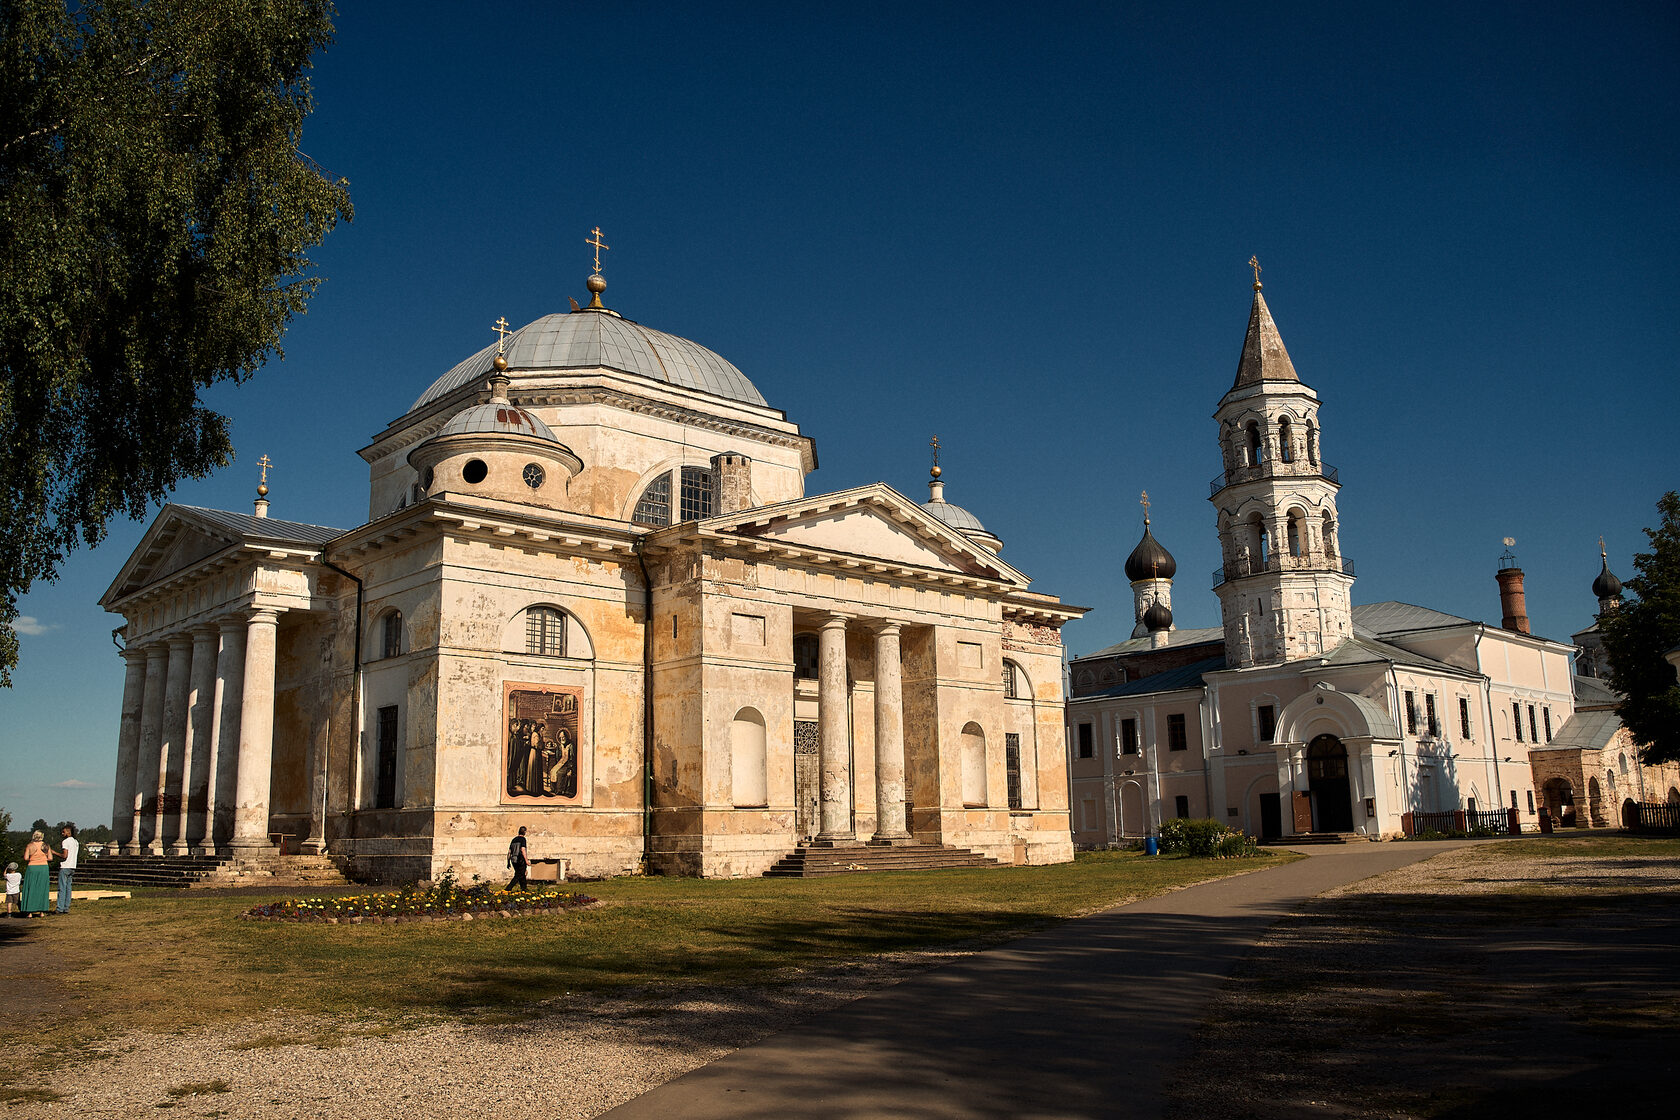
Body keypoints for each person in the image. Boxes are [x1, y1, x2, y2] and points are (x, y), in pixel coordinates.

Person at [20, 830, 51, 917]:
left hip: (32, 867)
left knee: (31, 888)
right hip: (44, 867)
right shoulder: (46, 846)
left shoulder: (30, 845)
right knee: (42, 888)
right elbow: (50, 857)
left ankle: (29, 912)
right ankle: (42, 911)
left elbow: (26, 858)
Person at [55, 823, 78, 914]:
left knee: (62, 887)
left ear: (68, 832)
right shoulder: (76, 842)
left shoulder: (65, 842)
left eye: (63, 832)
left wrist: (54, 853)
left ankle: (60, 908)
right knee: (68, 888)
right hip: (72, 866)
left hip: (65, 866)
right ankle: (66, 907)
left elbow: (64, 855)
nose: (62, 833)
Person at [507, 825, 529, 891]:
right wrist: (526, 860)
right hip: (520, 859)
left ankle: (524, 889)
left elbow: (509, 852)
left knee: (522, 874)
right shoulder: (523, 839)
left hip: (513, 860)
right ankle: (508, 888)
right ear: (524, 832)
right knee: (519, 875)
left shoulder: (513, 840)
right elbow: (522, 850)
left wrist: (508, 862)